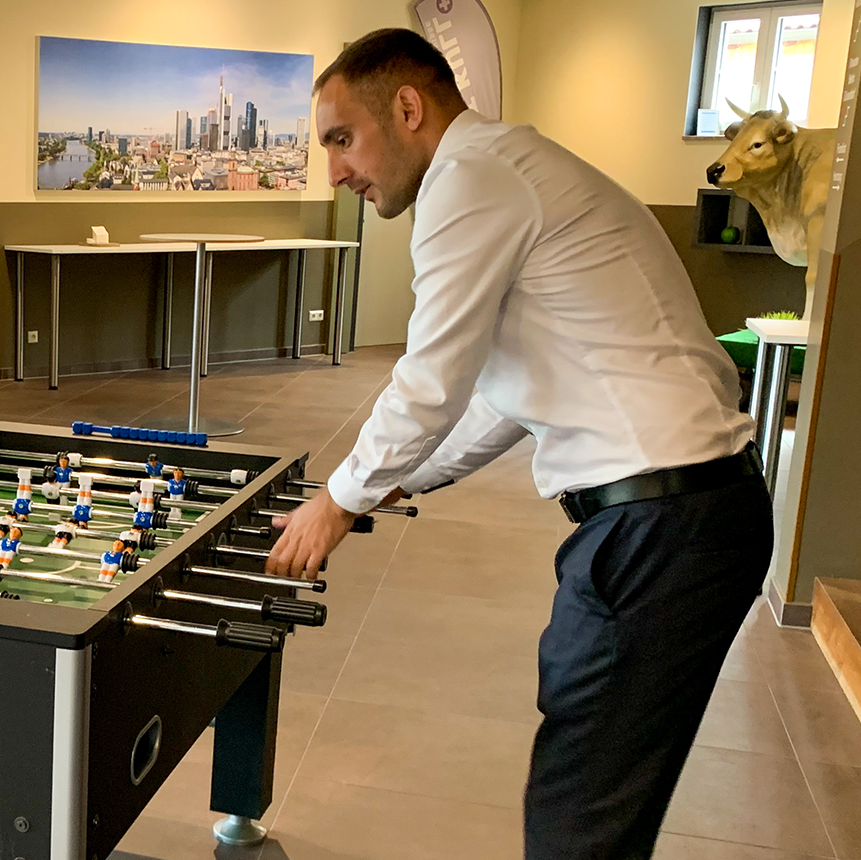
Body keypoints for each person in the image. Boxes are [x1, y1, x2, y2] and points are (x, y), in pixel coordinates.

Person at [266, 29, 770, 860]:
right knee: (598, 792)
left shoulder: (470, 179)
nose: (336, 172)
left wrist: (337, 502)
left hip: (660, 528)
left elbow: (429, 378)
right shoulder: (509, 169)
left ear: (407, 108)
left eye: (341, 139)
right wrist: (399, 482)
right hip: (687, 521)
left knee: (583, 812)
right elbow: (500, 397)